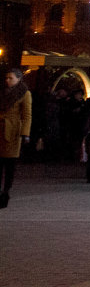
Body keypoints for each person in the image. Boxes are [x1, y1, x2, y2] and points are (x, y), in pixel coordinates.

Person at [1, 68, 32, 208]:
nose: (7, 80)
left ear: (19, 79)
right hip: (1, 130)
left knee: (9, 165)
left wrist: (25, 134)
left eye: (11, 78)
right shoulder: (2, 92)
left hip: (12, 132)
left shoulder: (24, 94)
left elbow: (27, 115)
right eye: (6, 78)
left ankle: (5, 192)